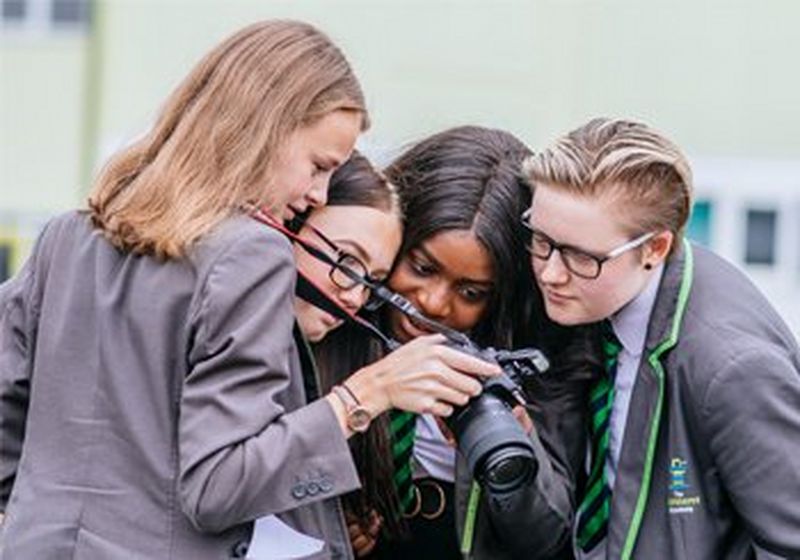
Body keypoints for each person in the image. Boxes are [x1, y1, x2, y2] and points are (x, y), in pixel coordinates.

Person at [0, 21, 499, 559]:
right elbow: (218, 487)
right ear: (263, 128)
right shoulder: (250, 253)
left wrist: (40, 516)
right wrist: (366, 395)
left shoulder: (67, 237)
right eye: (318, 166)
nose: (317, 194)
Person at [522, 117, 800, 559]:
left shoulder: (733, 368)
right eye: (540, 240)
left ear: (654, 249)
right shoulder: (603, 295)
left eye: (580, 256)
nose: (551, 274)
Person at [317, 126, 596, 559]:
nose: (432, 303)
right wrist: (326, 516)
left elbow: (546, 538)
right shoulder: (328, 322)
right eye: (422, 267)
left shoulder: (539, 362)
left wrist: (519, 449)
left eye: (471, 293)